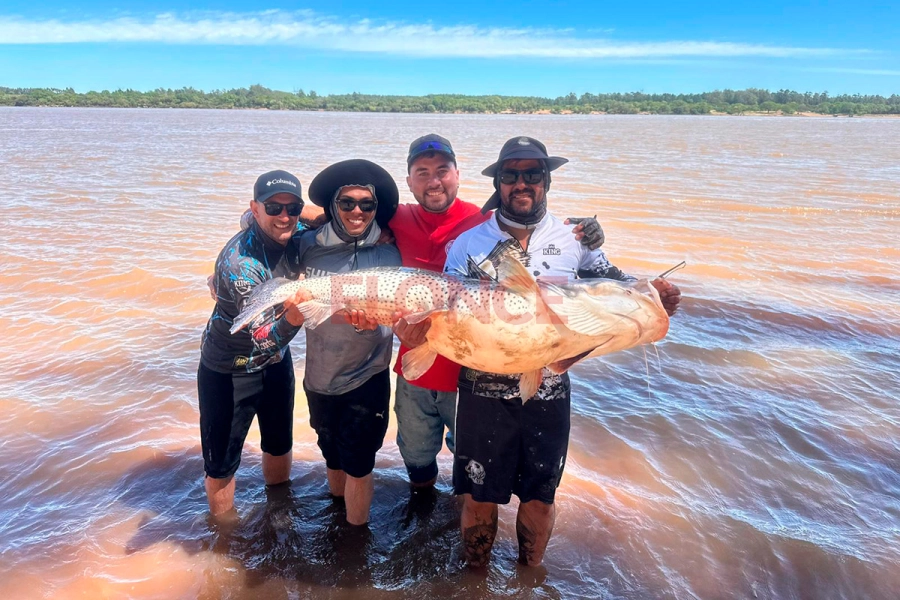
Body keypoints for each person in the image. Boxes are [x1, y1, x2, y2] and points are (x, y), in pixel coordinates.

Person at [443, 136, 681, 567]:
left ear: (547, 180)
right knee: (478, 495)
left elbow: (618, 287)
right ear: (497, 183)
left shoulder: (576, 240)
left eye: (532, 174)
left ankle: (529, 577)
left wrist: (656, 295)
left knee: (541, 496)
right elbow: (443, 307)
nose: (521, 183)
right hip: (482, 384)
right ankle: (473, 582)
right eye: (510, 175)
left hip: (551, 384)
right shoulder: (467, 244)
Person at [387, 134, 607, 490]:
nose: (434, 181)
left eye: (442, 171)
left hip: (471, 372)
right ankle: (423, 522)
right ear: (409, 180)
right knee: (416, 460)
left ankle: (453, 528)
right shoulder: (394, 218)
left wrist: (588, 232)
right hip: (417, 358)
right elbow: (348, 212)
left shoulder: (481, 221)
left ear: (458, 175)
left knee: (471, 479)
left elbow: (531, 220)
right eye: (422, 173)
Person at [287, 159, 402, 526]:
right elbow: (255, 222)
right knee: (331, 455)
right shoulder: (306, 245)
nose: (357, 211)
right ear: (332, 206)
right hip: (320, 377)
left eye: (366, 204)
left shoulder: (390, 248)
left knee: (359, 464)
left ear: (376, 208)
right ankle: (337, 517)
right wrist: (311, 216)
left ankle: (355, 543)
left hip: (367, 377)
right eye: (346, 203)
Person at [197, 169, 307, 516]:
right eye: (273, 208)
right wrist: (296, 314)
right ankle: (223, 536)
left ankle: (278, 513)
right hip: (229, 369)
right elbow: (262, 340)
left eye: (293, 207)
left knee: (278, 444)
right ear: (254, 209)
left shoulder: (295, 227)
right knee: (221, 464)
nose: (284, 217)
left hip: (276, 364)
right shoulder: (240, 267)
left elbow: (329, 215)